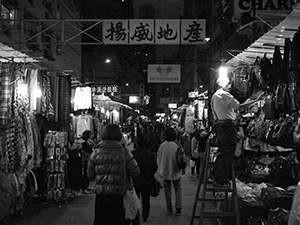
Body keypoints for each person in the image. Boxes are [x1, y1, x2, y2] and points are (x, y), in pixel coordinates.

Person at [211, 77, 263, 187]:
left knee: (224, 152)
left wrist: (251, 100)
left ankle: (219, 178)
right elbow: (240, 107)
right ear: (221, 84)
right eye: (228, 83)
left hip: (220, 126)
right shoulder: (225, 95)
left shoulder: (216, 95)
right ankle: (220, 181)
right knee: (228, 153)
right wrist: (257, 100)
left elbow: (233, 109)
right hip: (227, 127)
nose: (230, 85)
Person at [87, 124, 140, 225]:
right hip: (118, 197)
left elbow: (90, 175)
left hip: (101, 198)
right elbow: (136, 172)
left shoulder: (96, 152)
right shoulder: (124, 152)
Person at [156, 127, 185, 216]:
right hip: (176, 170)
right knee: (178, 187)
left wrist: (159, 169)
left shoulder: (162, 145)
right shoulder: (177, 145)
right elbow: (182, 158)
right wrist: (183, 169)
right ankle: (178, 206)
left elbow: (159, 158)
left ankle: (169, 209)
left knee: (167, 190)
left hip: (165, 171)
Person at [131, 133, 157, 224]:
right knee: (146, 200)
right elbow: (154, 167)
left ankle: (136, 219)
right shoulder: (149, 154)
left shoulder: (133, 154)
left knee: (135, 200)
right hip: (147, 181)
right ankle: (145, 216)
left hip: (135, 181)